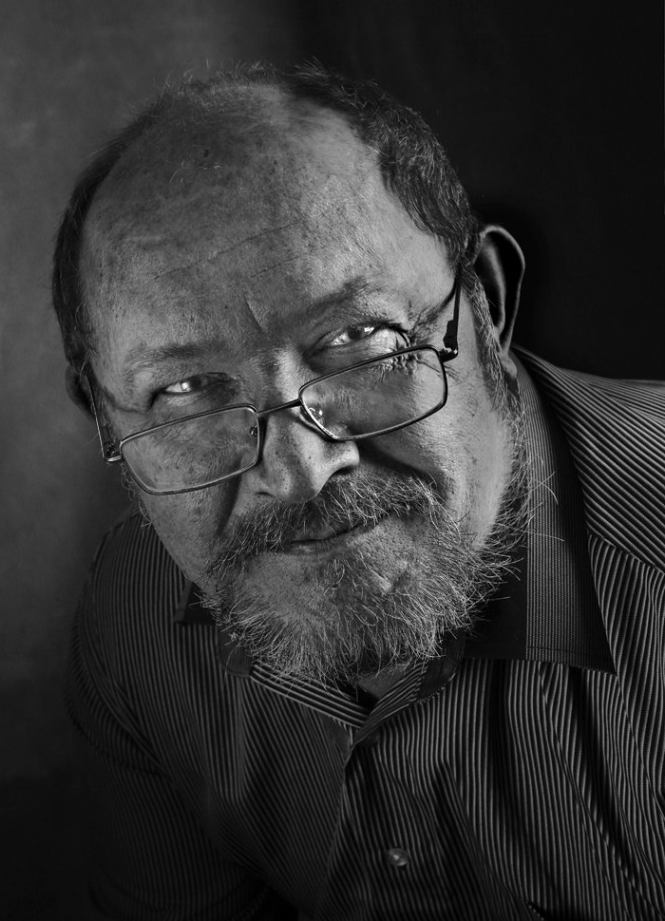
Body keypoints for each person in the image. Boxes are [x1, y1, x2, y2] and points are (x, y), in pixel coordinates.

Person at [53, 63, 665, 920]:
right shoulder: (135, 620)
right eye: (186, 391)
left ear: (484, 305)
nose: (298, 469)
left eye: (357, 337)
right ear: (107, 425)